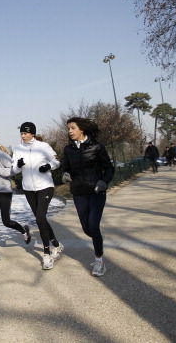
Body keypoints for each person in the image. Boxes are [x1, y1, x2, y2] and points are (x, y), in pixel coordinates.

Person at [62, 117, 115, 277]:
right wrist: (65, 175)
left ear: (81, 129)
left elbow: (109, 168)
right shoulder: (67, 149)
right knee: (87, 229)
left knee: (93, 225)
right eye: (69, 129)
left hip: (96, 191)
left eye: (72, 128)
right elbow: (66, 168)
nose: (70, 131)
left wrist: (104, 182)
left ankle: (99, 261)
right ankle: (97, 236)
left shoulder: (97, 147)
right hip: (79, 192)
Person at [11, 122, 63, 270]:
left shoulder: (43, 146)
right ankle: (57, 245)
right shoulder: (18, 149)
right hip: (29, 188)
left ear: (32, 133)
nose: (23, 135)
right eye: (21, 133)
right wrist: (18, 166)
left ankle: (47, 254)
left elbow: (57, 161)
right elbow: (13, 170)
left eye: (25, 133)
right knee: (41, 219)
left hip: (45, 186)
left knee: (40, 218)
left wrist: (49, 166)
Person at [0, 134, 31, 263]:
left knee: (6, 221)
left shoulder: (2, 155)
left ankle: (23, 230)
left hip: (4, 192)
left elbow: (13, 171)